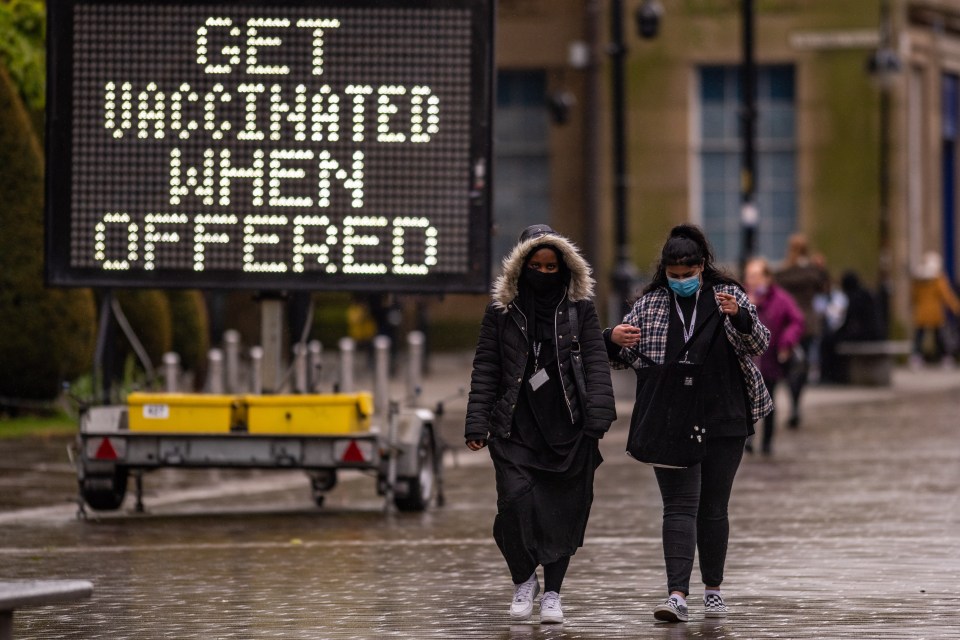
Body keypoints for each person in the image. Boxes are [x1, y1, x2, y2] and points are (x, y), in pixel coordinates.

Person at [605, 225, 771, 623]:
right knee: (677, 507)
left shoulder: (727, 297)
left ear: (702, 266)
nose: (681, 281)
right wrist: (613, 338)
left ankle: (713, 589)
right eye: (673, 275)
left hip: (724, 414)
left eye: (687, 273)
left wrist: (743, 317)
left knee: (713, 507)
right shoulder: (650, 305)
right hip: (670, 418)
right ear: (664, 271)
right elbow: (622, 358)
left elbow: (760, 343)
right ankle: (677, 594)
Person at [465, 224, 616, 625]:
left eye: (552, 266)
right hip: (514, 427)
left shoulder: (579, 308)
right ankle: (522, 579)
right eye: (537, 265)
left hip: (567, 429)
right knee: (513, 506)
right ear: (521, 265)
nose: (545, 273)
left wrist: (598, 417)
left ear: (565, 266)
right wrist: (476, 422)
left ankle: (552, 593)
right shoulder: (500, 311)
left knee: (562, 514)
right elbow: (486, 366)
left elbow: (597, 361)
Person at [744, 258, 805, 455]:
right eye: (749, 276)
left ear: (767, 278)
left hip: (771, 360)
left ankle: (767, 443)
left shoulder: (780, 299)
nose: (751, 280)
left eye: (755, 276)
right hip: (746, 361)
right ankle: (748, 439)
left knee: (769, 401)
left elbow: (797, 321)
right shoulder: (742, 297)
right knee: (746, 402)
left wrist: (786, 342)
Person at [774, 234, 829, 427]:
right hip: (808, 323)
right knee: (803, 365)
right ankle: (796, 404)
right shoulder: (812, 272)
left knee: (791, 366)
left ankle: (793, 402)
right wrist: (821, 269)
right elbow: (824, 289)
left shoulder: (783, 272)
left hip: (788, 323)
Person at [910, 252, 960, 368]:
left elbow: (914, 296)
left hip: (921, 313)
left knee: (920, 336)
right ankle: (945, 357)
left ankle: (916, 358)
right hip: (935, 313)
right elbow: (946, 295)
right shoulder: (938, 279)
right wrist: (956, 307)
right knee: (939, 337)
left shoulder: (918, 280)